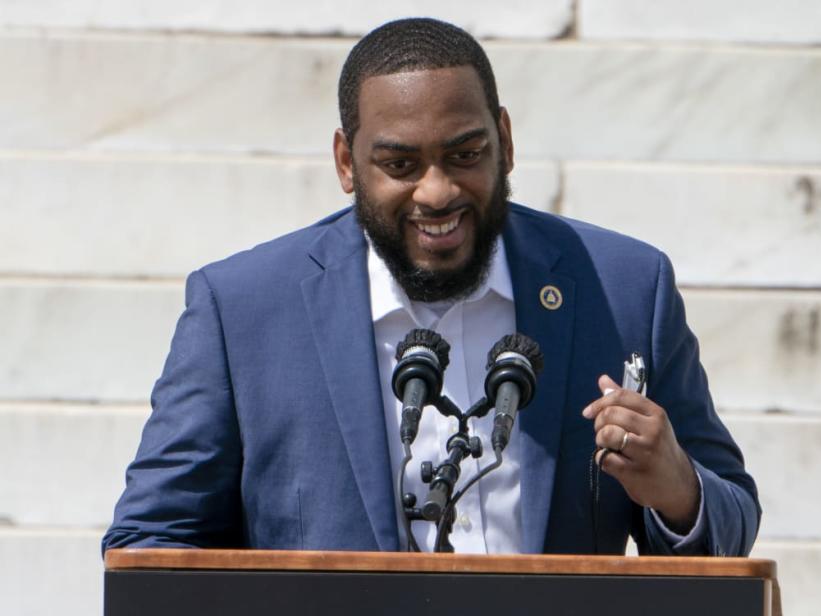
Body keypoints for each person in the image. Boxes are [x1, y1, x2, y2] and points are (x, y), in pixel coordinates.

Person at [103, 17, 759, 557]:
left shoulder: (623, 289)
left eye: (465, 154)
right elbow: (148, 546)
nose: (438, 190)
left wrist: (677, 489)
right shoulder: (243, 310)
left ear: (503, 140)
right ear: (346, 163)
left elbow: (730, 526)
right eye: (400, 164)